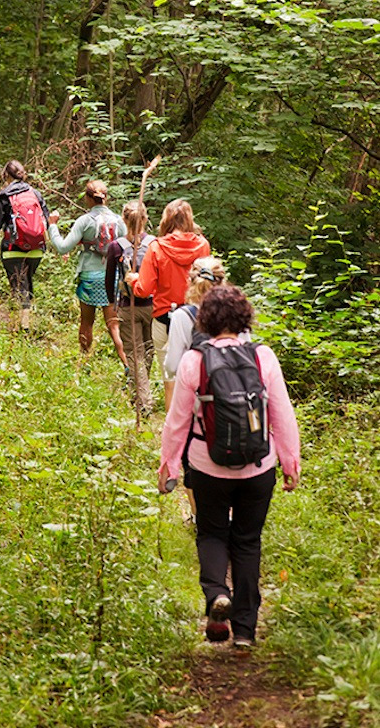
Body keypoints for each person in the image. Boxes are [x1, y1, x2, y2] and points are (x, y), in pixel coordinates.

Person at [158, 285, 300, 651]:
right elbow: (282, 415)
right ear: (244, 318)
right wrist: (290, 461)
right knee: (248, 542)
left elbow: (177, 422)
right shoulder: (262, 356)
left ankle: (217, 595)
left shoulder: (195, 360)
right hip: (258, 466)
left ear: (204, 319)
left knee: (212, 534)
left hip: (207, 466)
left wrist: (169, 465)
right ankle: (246, 631)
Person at [127, 199, 210, 410]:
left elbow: (144, 289)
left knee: (170, 377)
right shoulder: (203, 245)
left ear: (166, 219)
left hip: (165, 317)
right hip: (197, 317)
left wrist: (134, 279)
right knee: (198, 375)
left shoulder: (157, 247)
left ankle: (173, 429)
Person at [165, 256, 228, 514]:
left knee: (192, 459)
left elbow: (172, 366)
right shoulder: (236, 315)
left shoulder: (183, 316)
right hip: (234, 395)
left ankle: (198, 515)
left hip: (197, 402)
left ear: (190, 282)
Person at [48, 180, 127, 365]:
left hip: (90, 277)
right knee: (114, 325)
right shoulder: (119, 221)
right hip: (113, 277)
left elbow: (62, 247)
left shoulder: (84, 221)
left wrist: (53, 225)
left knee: (86, 322)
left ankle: (84, 362)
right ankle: (128, 365)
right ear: (106, 198)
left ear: (87, 198)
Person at [0, 160, 49, 329]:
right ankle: (24, 321)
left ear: (6, 174)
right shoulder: (36, 194)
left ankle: (24, 327)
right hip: (36, 250)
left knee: (20, 288)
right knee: (25, 282)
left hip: (12, 249)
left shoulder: (3, 196)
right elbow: (46, 221)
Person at [105, 201, 155, 414]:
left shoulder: (117, 246)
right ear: (145, 219)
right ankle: (142, 393)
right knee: (148, 351)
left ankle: (143, 401)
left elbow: (109, 280)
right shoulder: (154, 244)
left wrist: (111, 305)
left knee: (135, 354)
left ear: (124, 219)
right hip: (153, 305)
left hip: (128, 305)